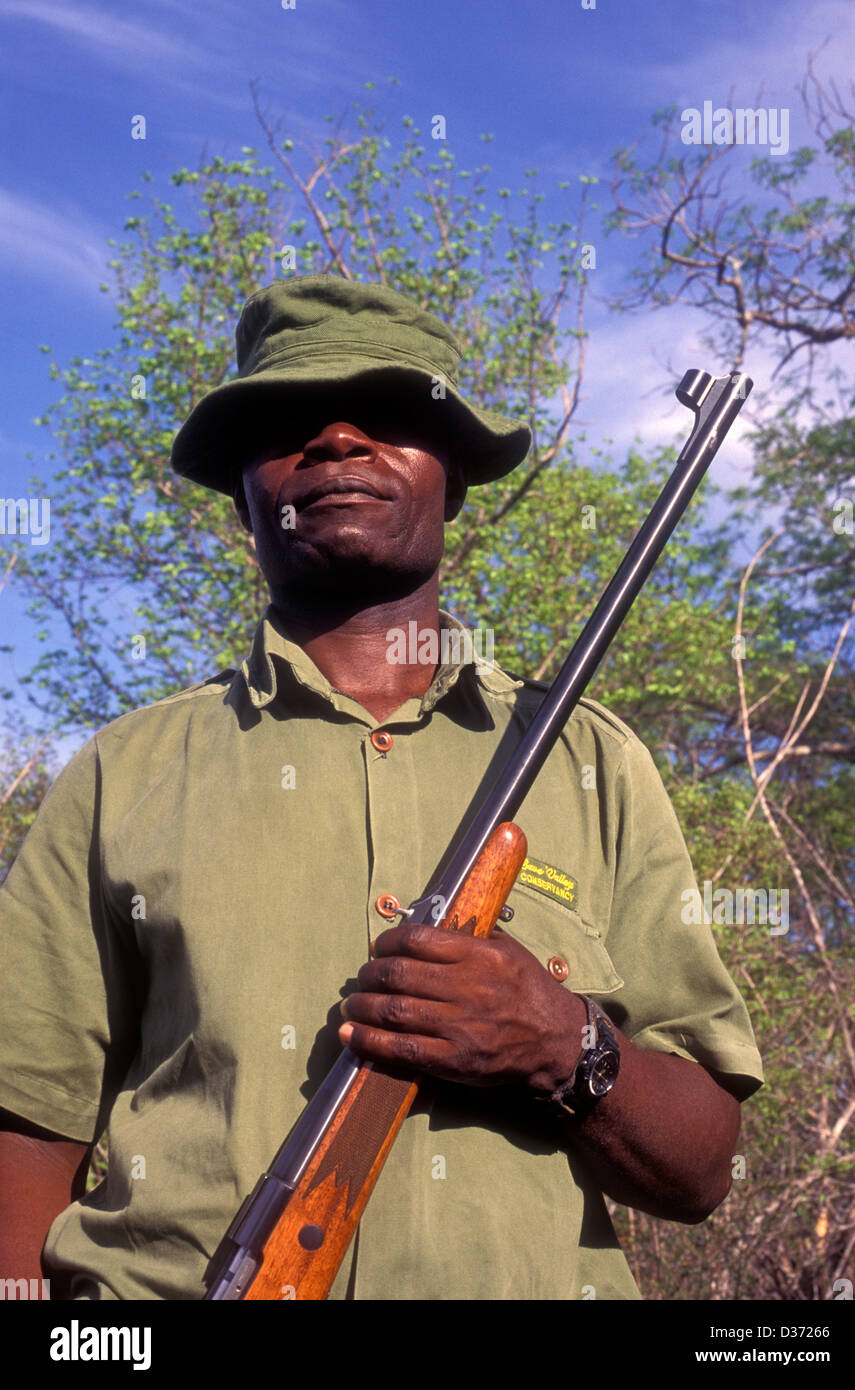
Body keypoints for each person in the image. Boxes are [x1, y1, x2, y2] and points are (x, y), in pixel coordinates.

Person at [0, 275, 763, 1301]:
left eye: (392, 415)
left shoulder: (593, 760)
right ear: (245, 489)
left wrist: (562, 1041)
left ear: (452, 475)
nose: (338, 440)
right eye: (287, 422)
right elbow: (27, 1128)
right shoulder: (122, 771)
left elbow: (703, 1166)